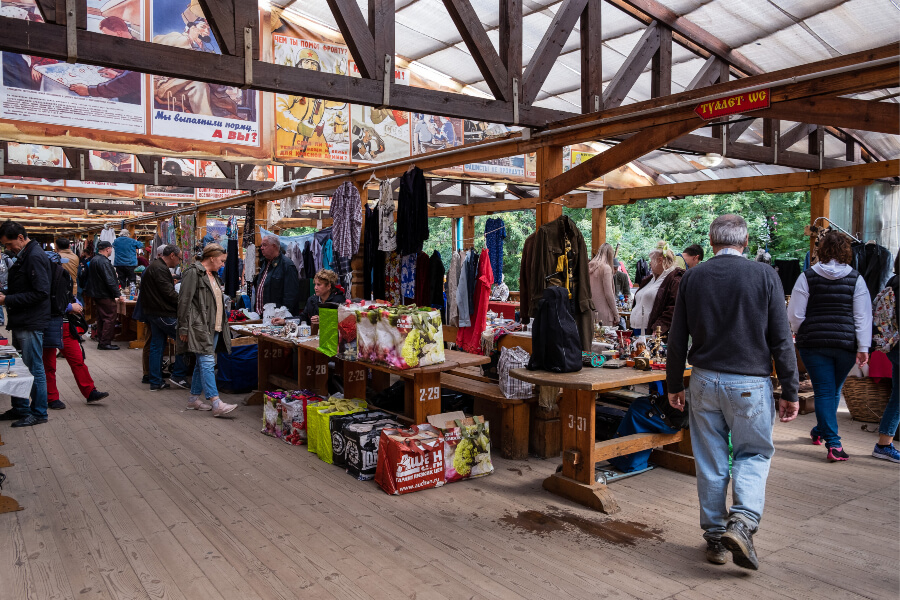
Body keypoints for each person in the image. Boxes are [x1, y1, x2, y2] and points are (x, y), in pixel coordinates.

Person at [666, 214, 799, 570]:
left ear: (711, 242)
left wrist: (674, 384)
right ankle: (741, 522)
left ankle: (715, 540)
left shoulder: (693, 276)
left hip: (705, 380)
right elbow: (781, 339)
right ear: (745, 241)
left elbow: (677, 338)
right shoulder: (765, 275)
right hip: (750, 384)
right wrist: (791, 388)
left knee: (710, 461)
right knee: (753, 455)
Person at [789, 231, 872, 462]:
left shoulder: (807, 276)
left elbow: (795, 314)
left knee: (828, 391)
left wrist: (804, 330)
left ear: (821, 250)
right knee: (831, 391)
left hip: (813, 344)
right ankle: (833, 444)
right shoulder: (856, 279)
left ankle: (821, 431)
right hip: (846, 344)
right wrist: (863, 347)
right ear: (847, 251)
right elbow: (863, 316)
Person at [41, 252, 109, 410]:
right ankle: (52, 398)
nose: (60, 266)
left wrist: (74, 302)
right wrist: (71, 306)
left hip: (64, 325)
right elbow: (46, 302)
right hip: (50, 325)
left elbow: (64, 297)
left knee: (76, 360)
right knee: (49, 364)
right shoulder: (44, 280)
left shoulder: (61, 278)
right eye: (58, 263)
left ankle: (90, 391)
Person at [0, 220, 52, 428]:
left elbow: (41, 293)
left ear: (21, 238)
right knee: (18, 366)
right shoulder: (25, 255)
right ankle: (21, 408)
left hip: (30, 321)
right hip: (23, 320)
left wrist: (7, 299)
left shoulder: (35, 256)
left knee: (33, 367)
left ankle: (39, 412)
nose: (7, 249)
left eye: (9, 244)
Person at [176, 244, 237, 417]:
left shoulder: (215, 276)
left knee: (202, 363)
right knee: (208, 362)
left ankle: (193, 399)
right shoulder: (193, 273)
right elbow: (184, 301)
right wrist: (183, 327)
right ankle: (216, 402)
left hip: (214, 326)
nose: (223, 264)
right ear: (212, 257)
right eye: (222, 260)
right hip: (199, 326)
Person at [143, 245, 190, 391]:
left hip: (156, 312)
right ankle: (178, 375)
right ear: (172, 256)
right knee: (185, 339)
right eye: (179, 258)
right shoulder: (160, 269)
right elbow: (168, 294)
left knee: (157, 346)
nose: (178, 262)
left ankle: (156, 381)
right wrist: (186, 303)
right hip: (163, 313)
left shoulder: (156, 266)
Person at [871, 254, 899, 463]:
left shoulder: (893, 281)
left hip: (894, 345)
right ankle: (883, 444)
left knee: (897, 396)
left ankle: (884, 442)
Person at [631, 241, 684, 336]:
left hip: (653, 332)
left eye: (652, 260)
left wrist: (659, 327)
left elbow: (674, 307)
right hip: (638, 329)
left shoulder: (674, 280)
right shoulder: (650, 279)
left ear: (660, 260)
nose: (650, 263)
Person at [276, 269, 346, 327]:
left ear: (328, 286)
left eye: (319, 285)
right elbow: (303, 317)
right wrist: (285, 320)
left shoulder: (338, 301)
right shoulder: (312, 300)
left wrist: (323, 320)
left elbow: (342, 322)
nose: (315, 288)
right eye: (315, 284)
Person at [253, 235, 300, 317]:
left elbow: (291, 296)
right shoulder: (265, 263)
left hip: (277, 317)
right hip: (263, 315)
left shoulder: (287, 265)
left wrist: (282, 316)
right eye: (261, 245)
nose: (261, 248)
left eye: (264, 245)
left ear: (274, 246)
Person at [89, 240, 123, 350]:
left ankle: (101, 340)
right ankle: (105, 342)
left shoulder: (94, 259)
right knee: (109, 317)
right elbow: (109, 280)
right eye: (111, 249)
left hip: (97, 293)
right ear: (108, 249)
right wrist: (117, 294)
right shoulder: (103, 262)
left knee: (101, 318)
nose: (111, 251)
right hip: (104, 294)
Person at [589, 243, 619, 327]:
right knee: (603, 338)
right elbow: (608, 293)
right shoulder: (606, 268)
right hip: (604, 313)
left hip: (590, 311)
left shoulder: (589, 267)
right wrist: (616, 314)